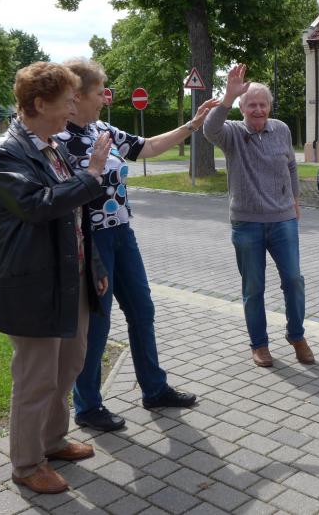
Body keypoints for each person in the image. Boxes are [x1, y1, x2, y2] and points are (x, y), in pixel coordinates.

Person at [56, 58, 219, 432]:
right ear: (77, 95)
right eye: (100, 92)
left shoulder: (102, 128)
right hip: (90, 240)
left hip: (121, 233)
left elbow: (145, 147)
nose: (105, 98)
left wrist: (192, 125)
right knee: (98, 323)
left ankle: (154, 389)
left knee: (142, 311)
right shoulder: (59, 139)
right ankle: (87, 405)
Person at [0, 62, 109, 494]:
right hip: (31, 283)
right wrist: (91, 176)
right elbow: (37, 205)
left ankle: (53, 441)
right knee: (36, 378)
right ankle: (26, 463)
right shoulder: (3, 153)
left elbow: (73, 214)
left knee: (69, 364)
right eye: (67, 102)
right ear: (39, 104)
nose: (73, 109)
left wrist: (94, 265)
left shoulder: (52, 147)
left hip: (70, 275)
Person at [203, 64, 312, 368]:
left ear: (269, 107)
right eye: (251, 104)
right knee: (253, 288)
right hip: (247, 223)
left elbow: (291, 165)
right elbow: (209, 129)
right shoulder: (232, 133)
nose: (258, 110)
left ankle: (296, 335)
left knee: (294, 280)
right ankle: (259, 344)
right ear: (242, 108)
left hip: (282, 220)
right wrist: (227, 97)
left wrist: (295, 200)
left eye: (263, 104)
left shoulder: (281, 129)